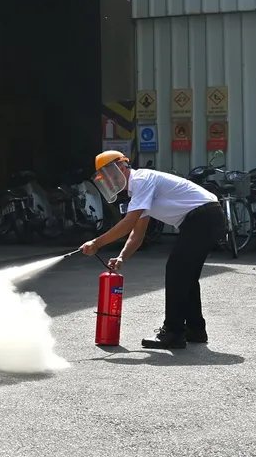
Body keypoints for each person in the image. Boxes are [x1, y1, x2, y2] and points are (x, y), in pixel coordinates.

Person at [79, 150, 226, 349]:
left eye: (109, 174)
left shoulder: (141, 180)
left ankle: (173, 332)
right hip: (206, 218)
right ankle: (195, 329)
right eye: (104, 177)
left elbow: (128, 223)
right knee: (186, 275)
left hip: (203, 218)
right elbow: (137, 235)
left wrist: (96, 243)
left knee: (176, 271)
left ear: (121, 166)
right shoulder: (139, 191)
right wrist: (122, 257)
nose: (109, 180)